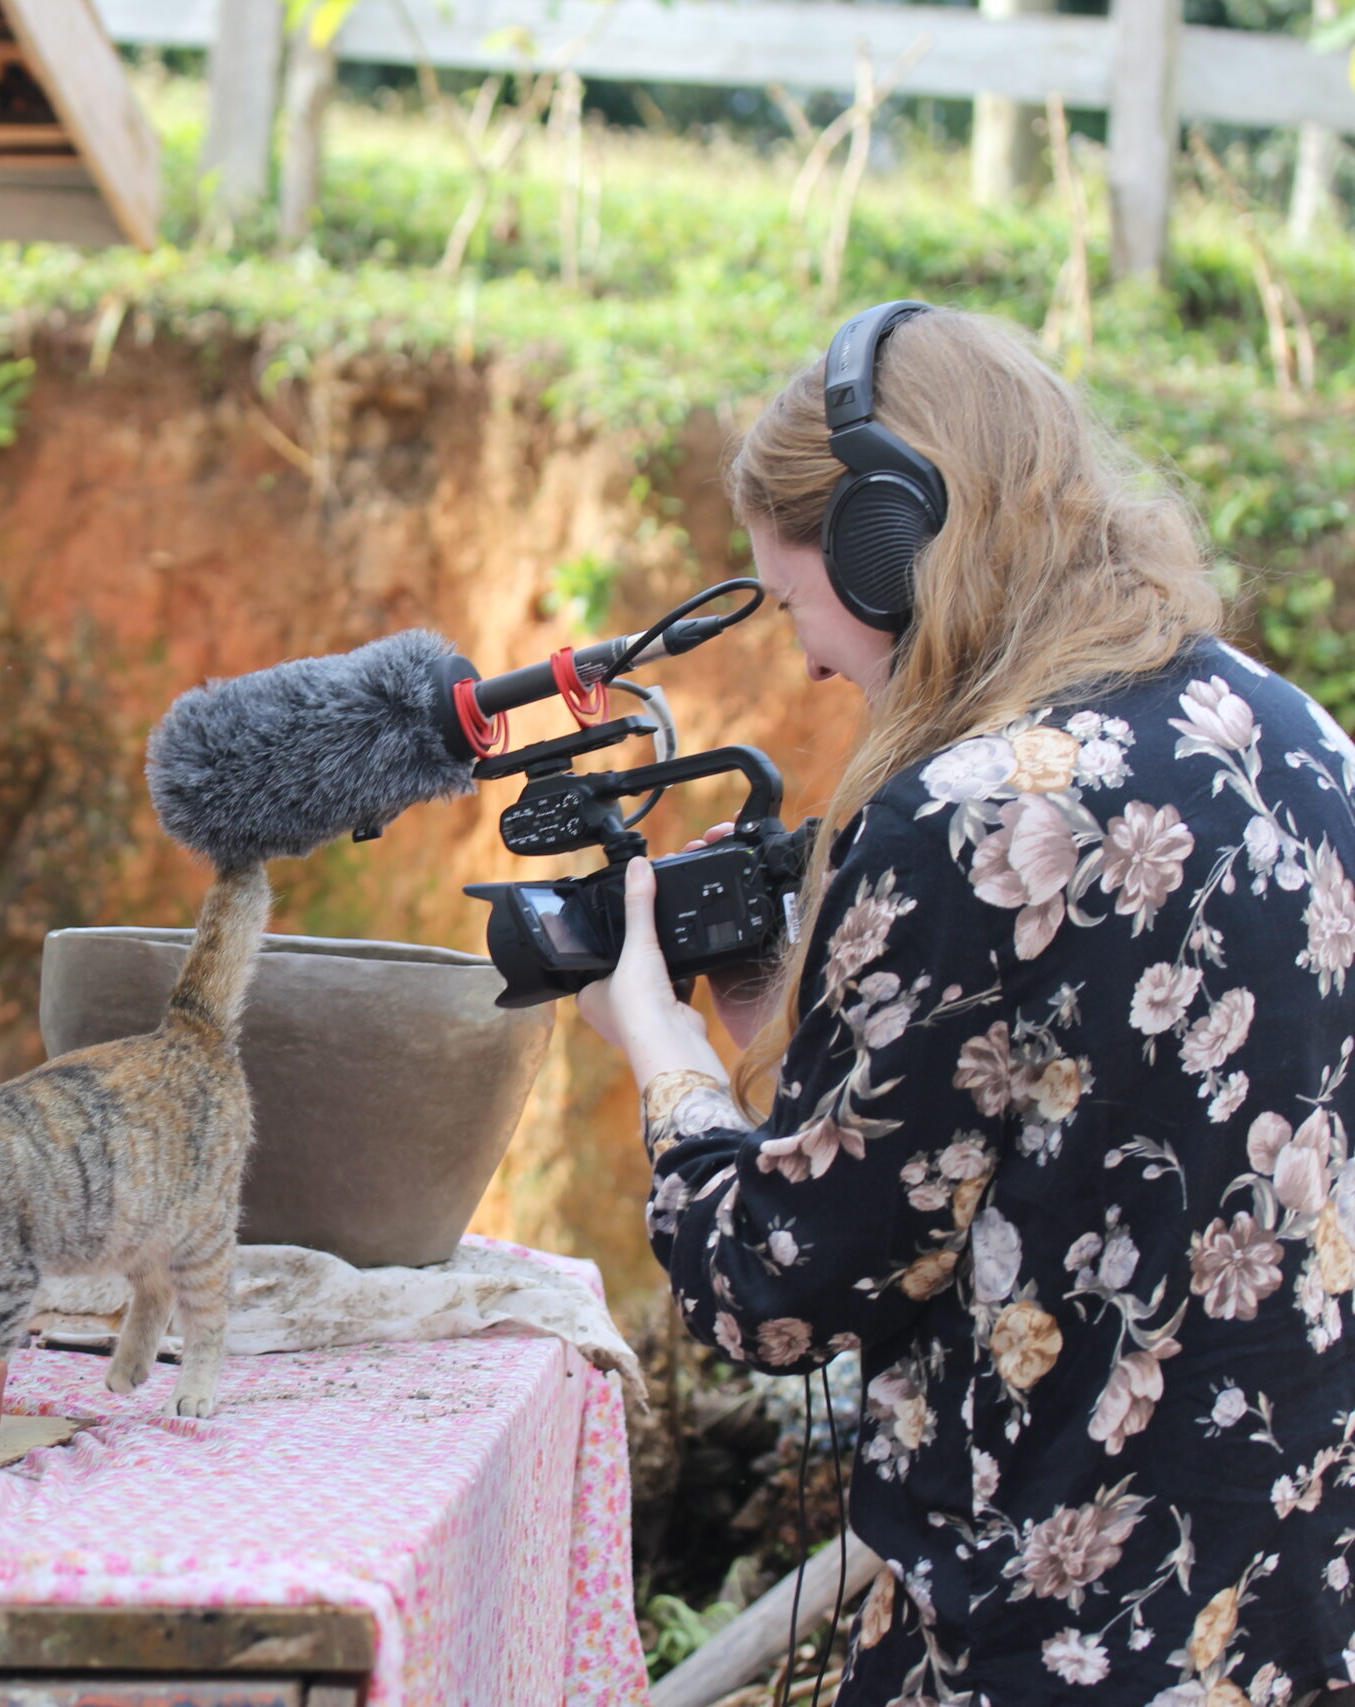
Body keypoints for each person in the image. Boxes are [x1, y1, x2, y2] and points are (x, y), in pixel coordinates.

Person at [578, 305, 1355, 1704]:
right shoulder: (1299, 739)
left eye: (796, 603)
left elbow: (775, 1290)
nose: (809, 661)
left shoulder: (967, 817)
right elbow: (1053, 1131)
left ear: (891, 547)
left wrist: (661, 1044)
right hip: (1287, 1615)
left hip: (1050, 1632)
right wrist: (804, 1027)